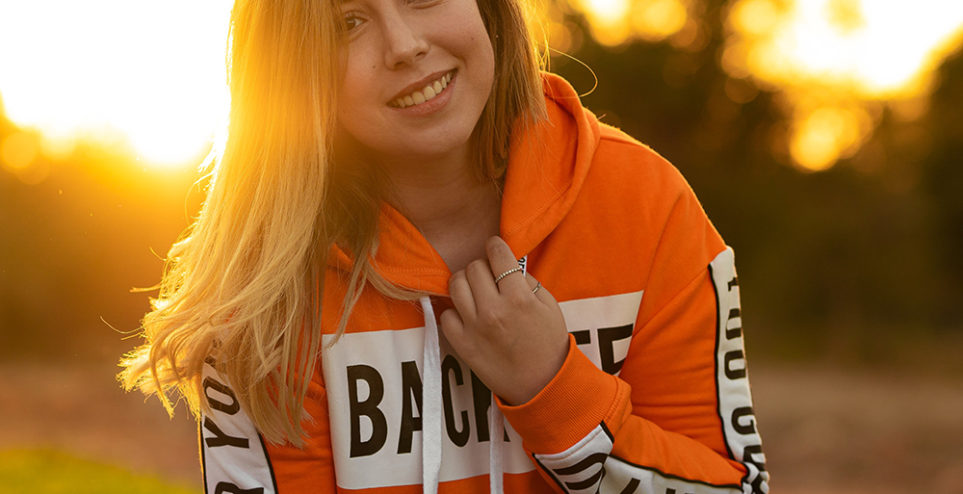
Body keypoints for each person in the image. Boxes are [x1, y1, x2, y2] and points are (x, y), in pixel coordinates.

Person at [119, 0, 769, 491]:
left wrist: (555, 393)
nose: (403, 45)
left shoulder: (644, 204)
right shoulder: (261, 290)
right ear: (293, 70)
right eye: (348, 22)